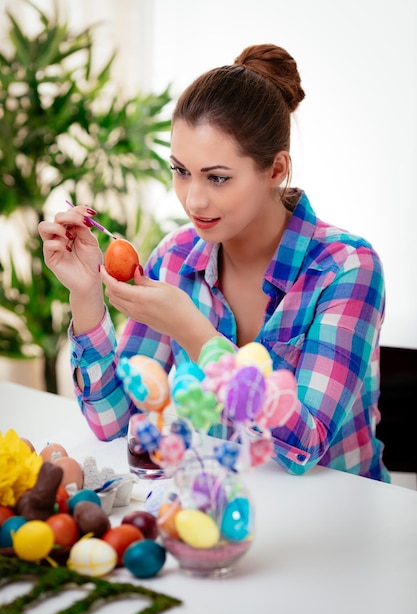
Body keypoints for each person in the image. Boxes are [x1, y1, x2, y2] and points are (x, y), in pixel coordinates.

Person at [38, 43, 390, 482]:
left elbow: (305, 447)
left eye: (218, 177)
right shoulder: (176, 257)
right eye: (181, 170)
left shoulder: (346, 269)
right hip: (216, 504)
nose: (193, 199)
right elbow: (116, 421)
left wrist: (196, 334)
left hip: (340, 519)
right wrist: (86, 295)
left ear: (277, 168)